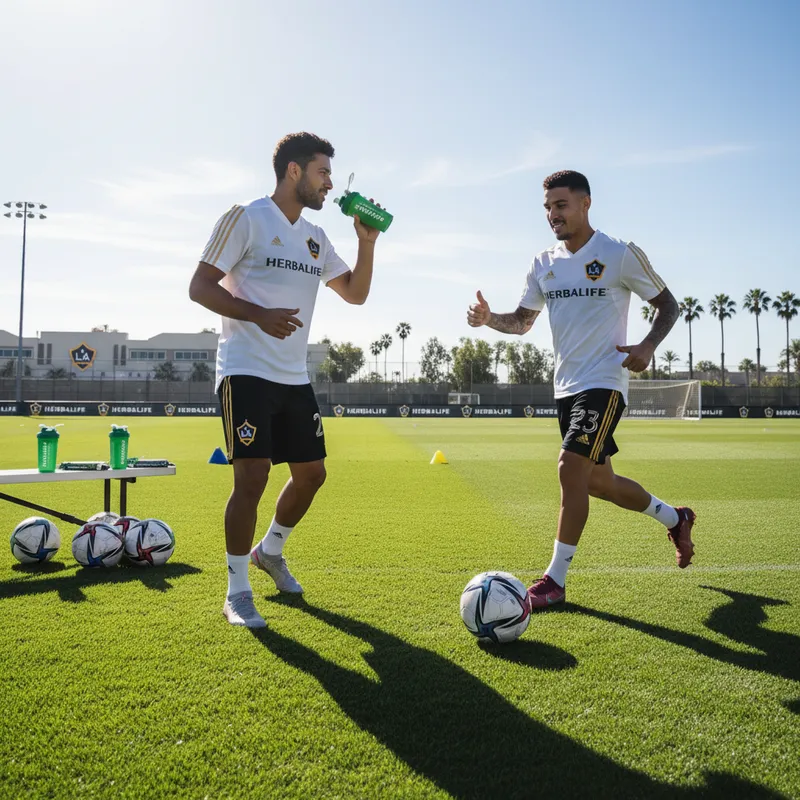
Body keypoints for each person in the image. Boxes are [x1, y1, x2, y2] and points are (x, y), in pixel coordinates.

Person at [467, 169, 694, 609]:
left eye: (561, 205)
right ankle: (675, 517)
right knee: (598, 483)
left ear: (586, 203)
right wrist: (489, 318)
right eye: (548, 208)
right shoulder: (542, 263)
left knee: (569, 467)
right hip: (565, 388)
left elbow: (668, 304)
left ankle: (555, 580)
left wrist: (648, 345)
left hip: (606, 381)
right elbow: (523, 322)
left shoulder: (618, 253)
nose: (553, 214)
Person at [189, 132, 382, 628]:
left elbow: (355, 294)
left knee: (312, 475)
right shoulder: (246, 217)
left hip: (293, 377)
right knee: (252, 477)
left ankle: (270, 550)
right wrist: (258, 315)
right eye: (323, 172)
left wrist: (366, 243)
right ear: (294, 171)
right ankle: (236, 590)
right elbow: (200, 287)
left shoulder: (316, 237)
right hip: (244, 370)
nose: (330, 184)